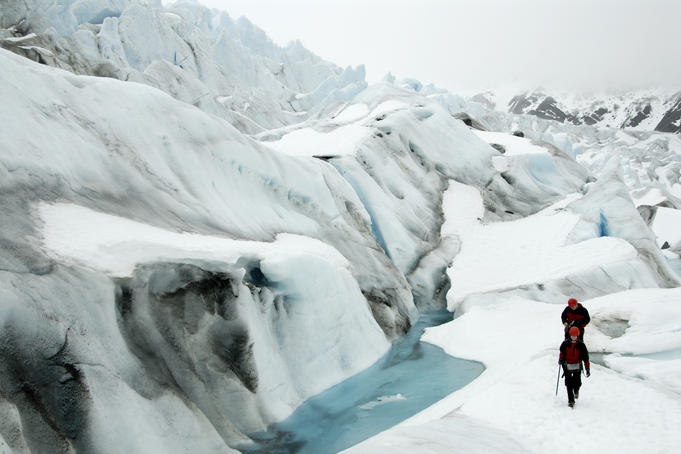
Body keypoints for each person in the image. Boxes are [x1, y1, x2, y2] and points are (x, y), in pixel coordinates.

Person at [559, 326, 590, 408]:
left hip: (577, 365)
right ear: (570, 335)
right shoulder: (565, 344)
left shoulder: (581, 345)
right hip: (566, 365)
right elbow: (562, 352)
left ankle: (576, 390)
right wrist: (561, 359)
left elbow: (586, 358)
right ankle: (571, 401)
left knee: (577, 382)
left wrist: (587, 368)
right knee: (568, 383)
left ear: (578, 336)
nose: (573, 337)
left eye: (575, 336)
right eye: (572, 335)